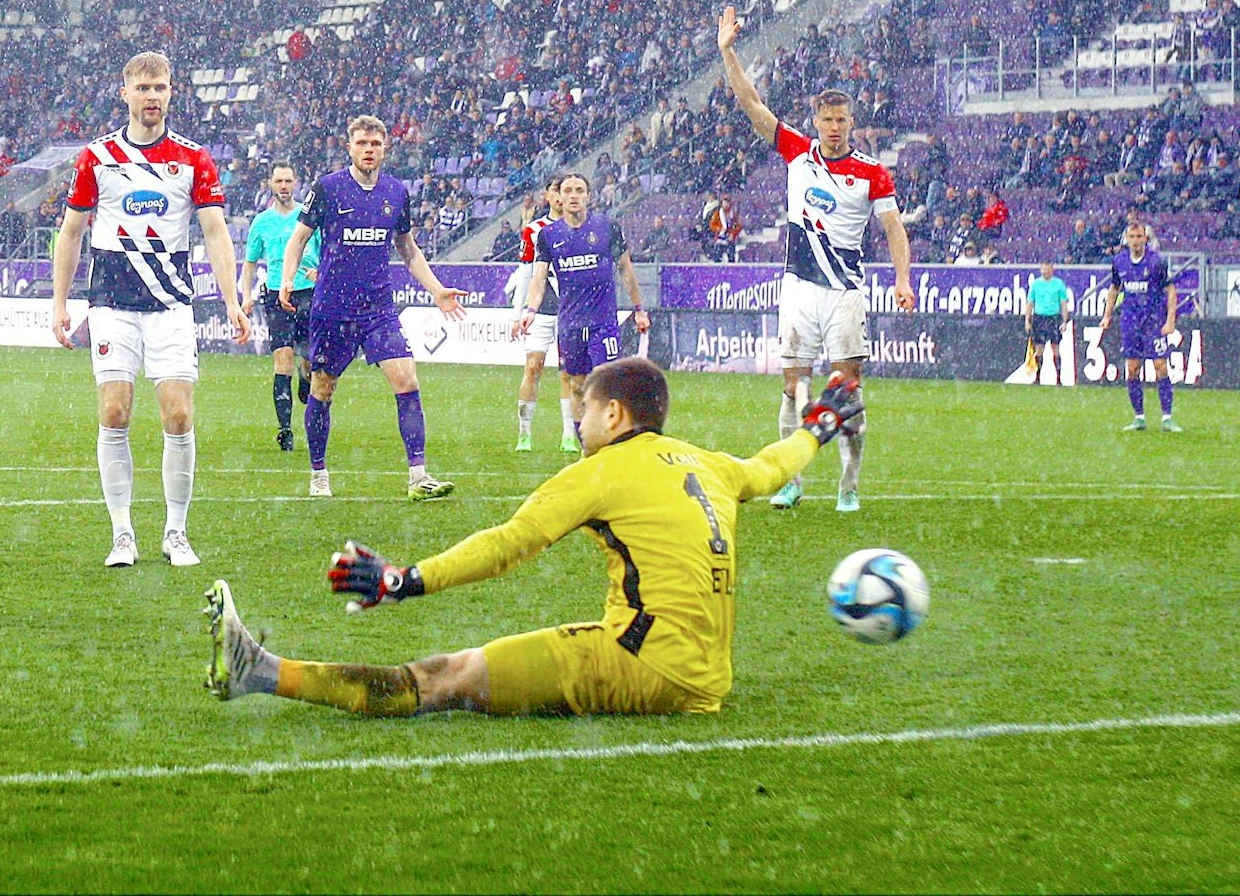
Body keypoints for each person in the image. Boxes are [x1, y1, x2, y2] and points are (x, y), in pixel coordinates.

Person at [204, 360, 866, 717]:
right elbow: (774, 466)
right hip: (706, 673)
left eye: (584, 411)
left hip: (644, 665)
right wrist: (820, 425)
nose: (579, 423)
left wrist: (404, 578)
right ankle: (260, 668)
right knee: (472, 671)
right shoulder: (709, 464)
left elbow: (507, 543)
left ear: (613, 413)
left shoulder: (599, 471)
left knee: (443, 678)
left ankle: (262, 671)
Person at [50, 52, 250, 568]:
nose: (152, 96)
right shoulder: (96, 157)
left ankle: (175, 531)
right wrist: (60, 303)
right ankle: (122, 533)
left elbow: (214, 232)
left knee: (179, 416)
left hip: (171, 306)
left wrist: (232, 301)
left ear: (171, 92)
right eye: (143, 88)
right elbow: (72, 232)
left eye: (159, 87)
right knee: (114, 412)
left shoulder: (193, 158)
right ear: (125, 93)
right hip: (112, 303)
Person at [719, 6, 915, 513]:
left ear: (852, 122)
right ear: (816, 122)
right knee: (793, 388)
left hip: (845, 293)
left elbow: (893, 228)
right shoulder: (797, 153)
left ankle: (848, 483)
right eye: (826, 120)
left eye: (841, 120)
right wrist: (728, 50)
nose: (833, 127)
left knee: (846, 392)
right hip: (799, 290)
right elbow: (750, 103)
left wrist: (902, 279)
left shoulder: (872, 172)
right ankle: (793, 480)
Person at [278, 115, 468, 501]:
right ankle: (319, 475)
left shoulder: (396, 192)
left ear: (385, 148)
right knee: (323, 388)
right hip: (333, 307)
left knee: (407, 380)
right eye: (362, 143)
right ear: (349, 147)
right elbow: (299, 239)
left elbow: (409, 250)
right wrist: (287, 277)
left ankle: (418, 477)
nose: (369, 150)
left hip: (379, 307)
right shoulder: (328, 188)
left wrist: (436, 290)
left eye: (376, 144)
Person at [512, 173, 651, 447]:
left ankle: (613, 442)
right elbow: (539, 278)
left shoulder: (607, 227)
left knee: (606, 383)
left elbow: (626, 269)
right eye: (568, 191)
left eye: (579, 190)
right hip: (570, 323)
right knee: (576, 385)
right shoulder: (548, 236)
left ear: (588, 196)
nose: (573, 195)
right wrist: (530, 310)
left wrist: (639, 309)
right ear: (559, 198)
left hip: (603, 322)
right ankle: (586, 445)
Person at [238, 162, 321, 452]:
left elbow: (327, 253)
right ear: (271, 184)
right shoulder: (261, 222)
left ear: (296, 183)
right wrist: (246, 295)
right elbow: (250, 263)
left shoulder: (308, 217)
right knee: (282, 359)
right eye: (279, 181)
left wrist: (320, 270)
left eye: (288, 180)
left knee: (311, 360)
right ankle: (285, 429)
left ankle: (305, 377)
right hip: (276, 295)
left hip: (309, 294)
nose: (284, 186)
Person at [1094, 222, 1181, 431]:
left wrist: (1170, 321)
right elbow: (1114, 289)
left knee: (1160, 366)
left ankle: (1167, 417)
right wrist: (1107, 316)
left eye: (1138, 236)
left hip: (1153, 321)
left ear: (1145, 239)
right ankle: (1139, 417)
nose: (1135, 240)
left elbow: (1170, 290)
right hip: (1130, 321)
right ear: (1127, 239)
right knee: (1132, 368)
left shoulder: (1156, 262)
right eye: (1131, 236)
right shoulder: (1119, 262)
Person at [504, 175, 569, 452]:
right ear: (548, 195)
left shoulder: (581, 228)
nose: (561, 196)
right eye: (556, 190)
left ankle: (569, 436)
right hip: (541, 310)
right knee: (533, 367)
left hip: (570, 311)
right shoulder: (534, 230)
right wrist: (517, 313)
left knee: (569, 373)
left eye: (565, 191)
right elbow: (526, 273)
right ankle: (525, 433)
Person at [1025, 261, 1073, 386]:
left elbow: (1063, 304)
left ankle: (1058, 378)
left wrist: (1064, 321)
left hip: (1054, 318)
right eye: (1044, 270)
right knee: (1039, 349)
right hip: (1039, 318)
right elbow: (1030, 303)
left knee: (1055, 348)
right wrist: (1027, 321)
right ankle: (1038, 377)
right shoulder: (1035, 284)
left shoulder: (1059, 284)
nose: (1045, 272)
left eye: (1048, 270)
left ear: (1052, 270)